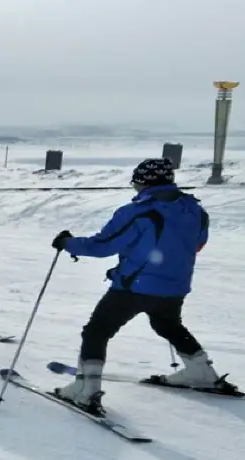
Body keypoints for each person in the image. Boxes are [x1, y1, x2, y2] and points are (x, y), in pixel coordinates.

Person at [51, 157, 230, 416]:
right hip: (175, 286)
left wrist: (67, 243)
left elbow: (102, 246)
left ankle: (86, 390)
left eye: (136, 182)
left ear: (144, 183)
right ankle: (201, 371)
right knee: (167, 324)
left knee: (97, 332)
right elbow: (197, 245)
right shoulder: (196, 211)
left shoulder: (137, 211)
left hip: (133, 288)